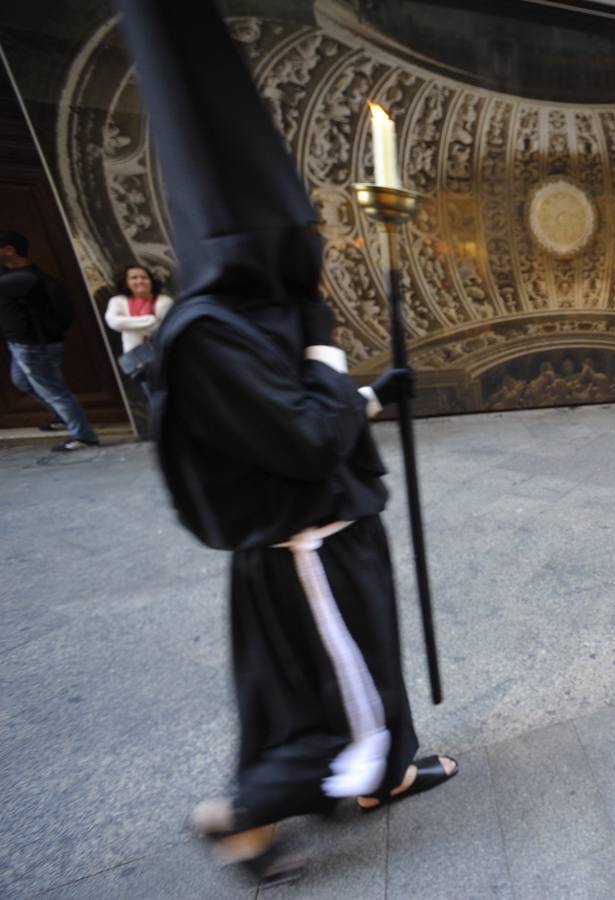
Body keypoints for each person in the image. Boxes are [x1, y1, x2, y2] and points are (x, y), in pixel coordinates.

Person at [114, 0, 455, 885]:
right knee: (341, 705)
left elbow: (304, 417)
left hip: (322, 534)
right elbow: (304, 435)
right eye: (294, 232)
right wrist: (330, 354)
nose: (309, 244)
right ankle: (244, 813)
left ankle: (346, 781)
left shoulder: (245, 318)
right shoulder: (210, 332)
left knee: (327, 685)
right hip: (307, 545)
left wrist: (372, 397)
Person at [0, 230, 100, 451]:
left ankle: (83, 436)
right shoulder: (14, 275)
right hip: (20, 345)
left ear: (9, 250)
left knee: (54, 390)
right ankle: (63, 415)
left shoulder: (23, 279)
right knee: (22, 382)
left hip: (33, 346)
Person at [104, 263, 173, 396]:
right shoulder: (118, 301)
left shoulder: (164, 301)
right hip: (140, 362)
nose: (139, 281)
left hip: (165, 358)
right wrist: (151, 319)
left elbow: (165, 328)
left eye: (144, 277)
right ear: (126, 282)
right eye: (134, 278)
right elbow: (114, 323)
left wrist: (128, 323)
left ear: (151, 281)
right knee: (154, 397)